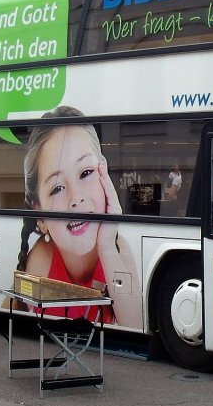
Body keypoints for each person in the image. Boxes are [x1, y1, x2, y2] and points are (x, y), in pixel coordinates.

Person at [12, 106, 142, 327]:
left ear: (104, 174)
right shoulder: (42, 257)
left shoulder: (117, 249)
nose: (76, 198)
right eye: (57, 188)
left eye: (86, 173)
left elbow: (135, 326)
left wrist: (107, 246)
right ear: (40, 217)